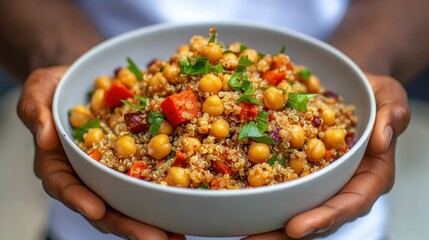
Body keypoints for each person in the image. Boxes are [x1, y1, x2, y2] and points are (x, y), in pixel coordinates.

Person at [2, 0, 426, 239]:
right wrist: (61, 58)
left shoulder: (290, 108)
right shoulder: (141, 104)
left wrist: (364, 65)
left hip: (328, 215)